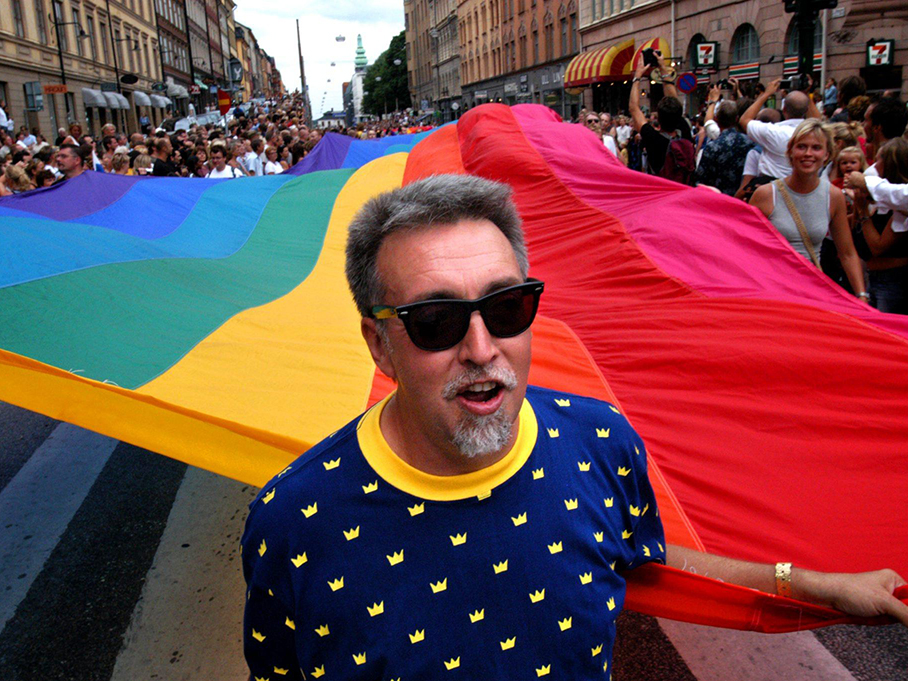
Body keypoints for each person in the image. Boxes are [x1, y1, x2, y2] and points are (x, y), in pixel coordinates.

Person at [242, 174, 907, 681]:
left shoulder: (599, 442)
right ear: (380, 344)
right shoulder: (293, 519)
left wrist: (807, 581)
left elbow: (640, 554)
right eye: (436, 321)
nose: (481, 347)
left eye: (506, 307)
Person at [749, 120, 867, 299]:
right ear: (790, 152)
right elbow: (747, 248)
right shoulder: (765, 194)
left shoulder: (833, 196)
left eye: (816, 148)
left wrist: (862, 295)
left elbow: (847, 253)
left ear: (827, 154)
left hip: (810, 291)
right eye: (802, 147)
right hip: (771, 290)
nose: (808, 154)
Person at [847, 138, 908, 314]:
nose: (874, 165)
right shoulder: (881, 200)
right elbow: (854, 230)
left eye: (879, 159)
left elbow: (877, 246)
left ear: (890, 164)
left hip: (892, 281)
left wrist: (863, 210)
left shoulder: (899, 207)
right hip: (872, 278)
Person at [629, 52, 694, 182]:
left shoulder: (653, 138)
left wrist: (637, 77)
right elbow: (673, 100)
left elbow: (634, 108)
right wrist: (663, 67)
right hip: (684, 191)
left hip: (663, 192)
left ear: (658, 119)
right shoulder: (684, 130)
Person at [739, 78, 821, 181]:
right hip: (803, 186)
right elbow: (818, 121)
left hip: (771, 186)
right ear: (806, 110)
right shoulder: (814, 133)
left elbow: (744, 120)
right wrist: (806, 93)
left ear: (784, 109)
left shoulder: (773, 132)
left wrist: (766, 94)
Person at [695, 95, 754, 195]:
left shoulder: (712, 147)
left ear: (716, 119)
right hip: (742, 199)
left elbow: (701, 180)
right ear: (736, 119)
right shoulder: (750, 143)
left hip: (717, 200)